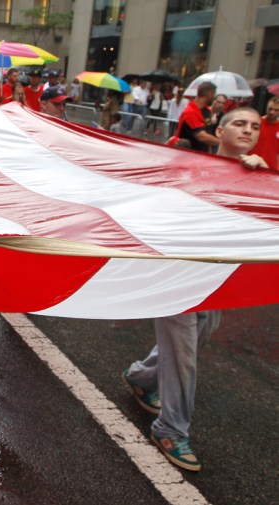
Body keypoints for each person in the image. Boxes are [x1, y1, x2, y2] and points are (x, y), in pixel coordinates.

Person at [122, 107, 268, 473]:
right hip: (176, 275)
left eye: (255, 126)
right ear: (219, 131)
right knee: (184, 354)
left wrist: (264, 182)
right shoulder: (191, 167)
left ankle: (141, 377)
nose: (247, 130)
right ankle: (171, 429)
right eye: (239, 123)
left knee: (199, 336)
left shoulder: (259, 176)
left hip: (213, 279)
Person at [175, 81, 219, 153]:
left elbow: (208, 131)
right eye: (214, 95)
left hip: (202, 155)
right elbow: (202, 137)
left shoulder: (207, 111)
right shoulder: (190, 112)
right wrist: (222, 142)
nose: (214, 98)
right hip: (187, 154)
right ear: (210, 94)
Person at [249, 95, 279, 170]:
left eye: (276, 110)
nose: (272, 112)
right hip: (252, 164)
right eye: (270, 109)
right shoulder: (256, 122)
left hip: (271, 168)